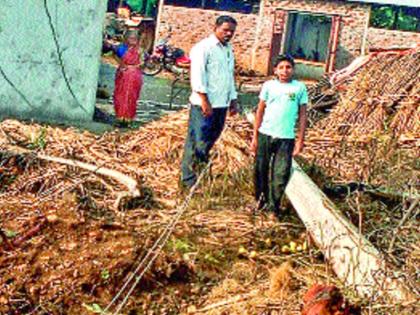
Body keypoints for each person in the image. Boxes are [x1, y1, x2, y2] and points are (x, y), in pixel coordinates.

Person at [180, 15, 239, 188]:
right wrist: (205, 101)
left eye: (232, 31)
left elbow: (229, 77)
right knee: (197, 141)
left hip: (221, 104)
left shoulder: (228, 49)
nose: (229, 34)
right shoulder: (203, 48)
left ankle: (200, 175)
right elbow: (198, 76)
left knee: (209, 140)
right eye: (225, 30)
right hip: (204, 104)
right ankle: (189, 181)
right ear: (216, 28)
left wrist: (233, 99)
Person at [251, 54, 308, 216]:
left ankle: (273, 207)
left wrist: (300, 140)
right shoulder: (269, 86)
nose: (285, 71)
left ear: (293, 69)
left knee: (281, 173)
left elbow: (303, 115)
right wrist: (255, 137)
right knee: (260, 170)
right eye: (281, 68)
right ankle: (260, 201)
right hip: (265, 134)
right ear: (275, 70)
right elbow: (260, 110)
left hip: (286, 138)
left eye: (288, 67)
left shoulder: (299, 88)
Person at [113, 30, 144, 124]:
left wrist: (134, 67)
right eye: (131, 38)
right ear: (126, 39)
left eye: (135, 38)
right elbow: (115, 56)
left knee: (131, 96)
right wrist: (122, 66)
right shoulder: (121, 48)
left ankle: (129, 118)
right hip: (122, 74)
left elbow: (143, 63)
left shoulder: (140, 50)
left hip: (134, 76)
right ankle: (119, 117)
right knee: (119, 95)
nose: (133, 40)